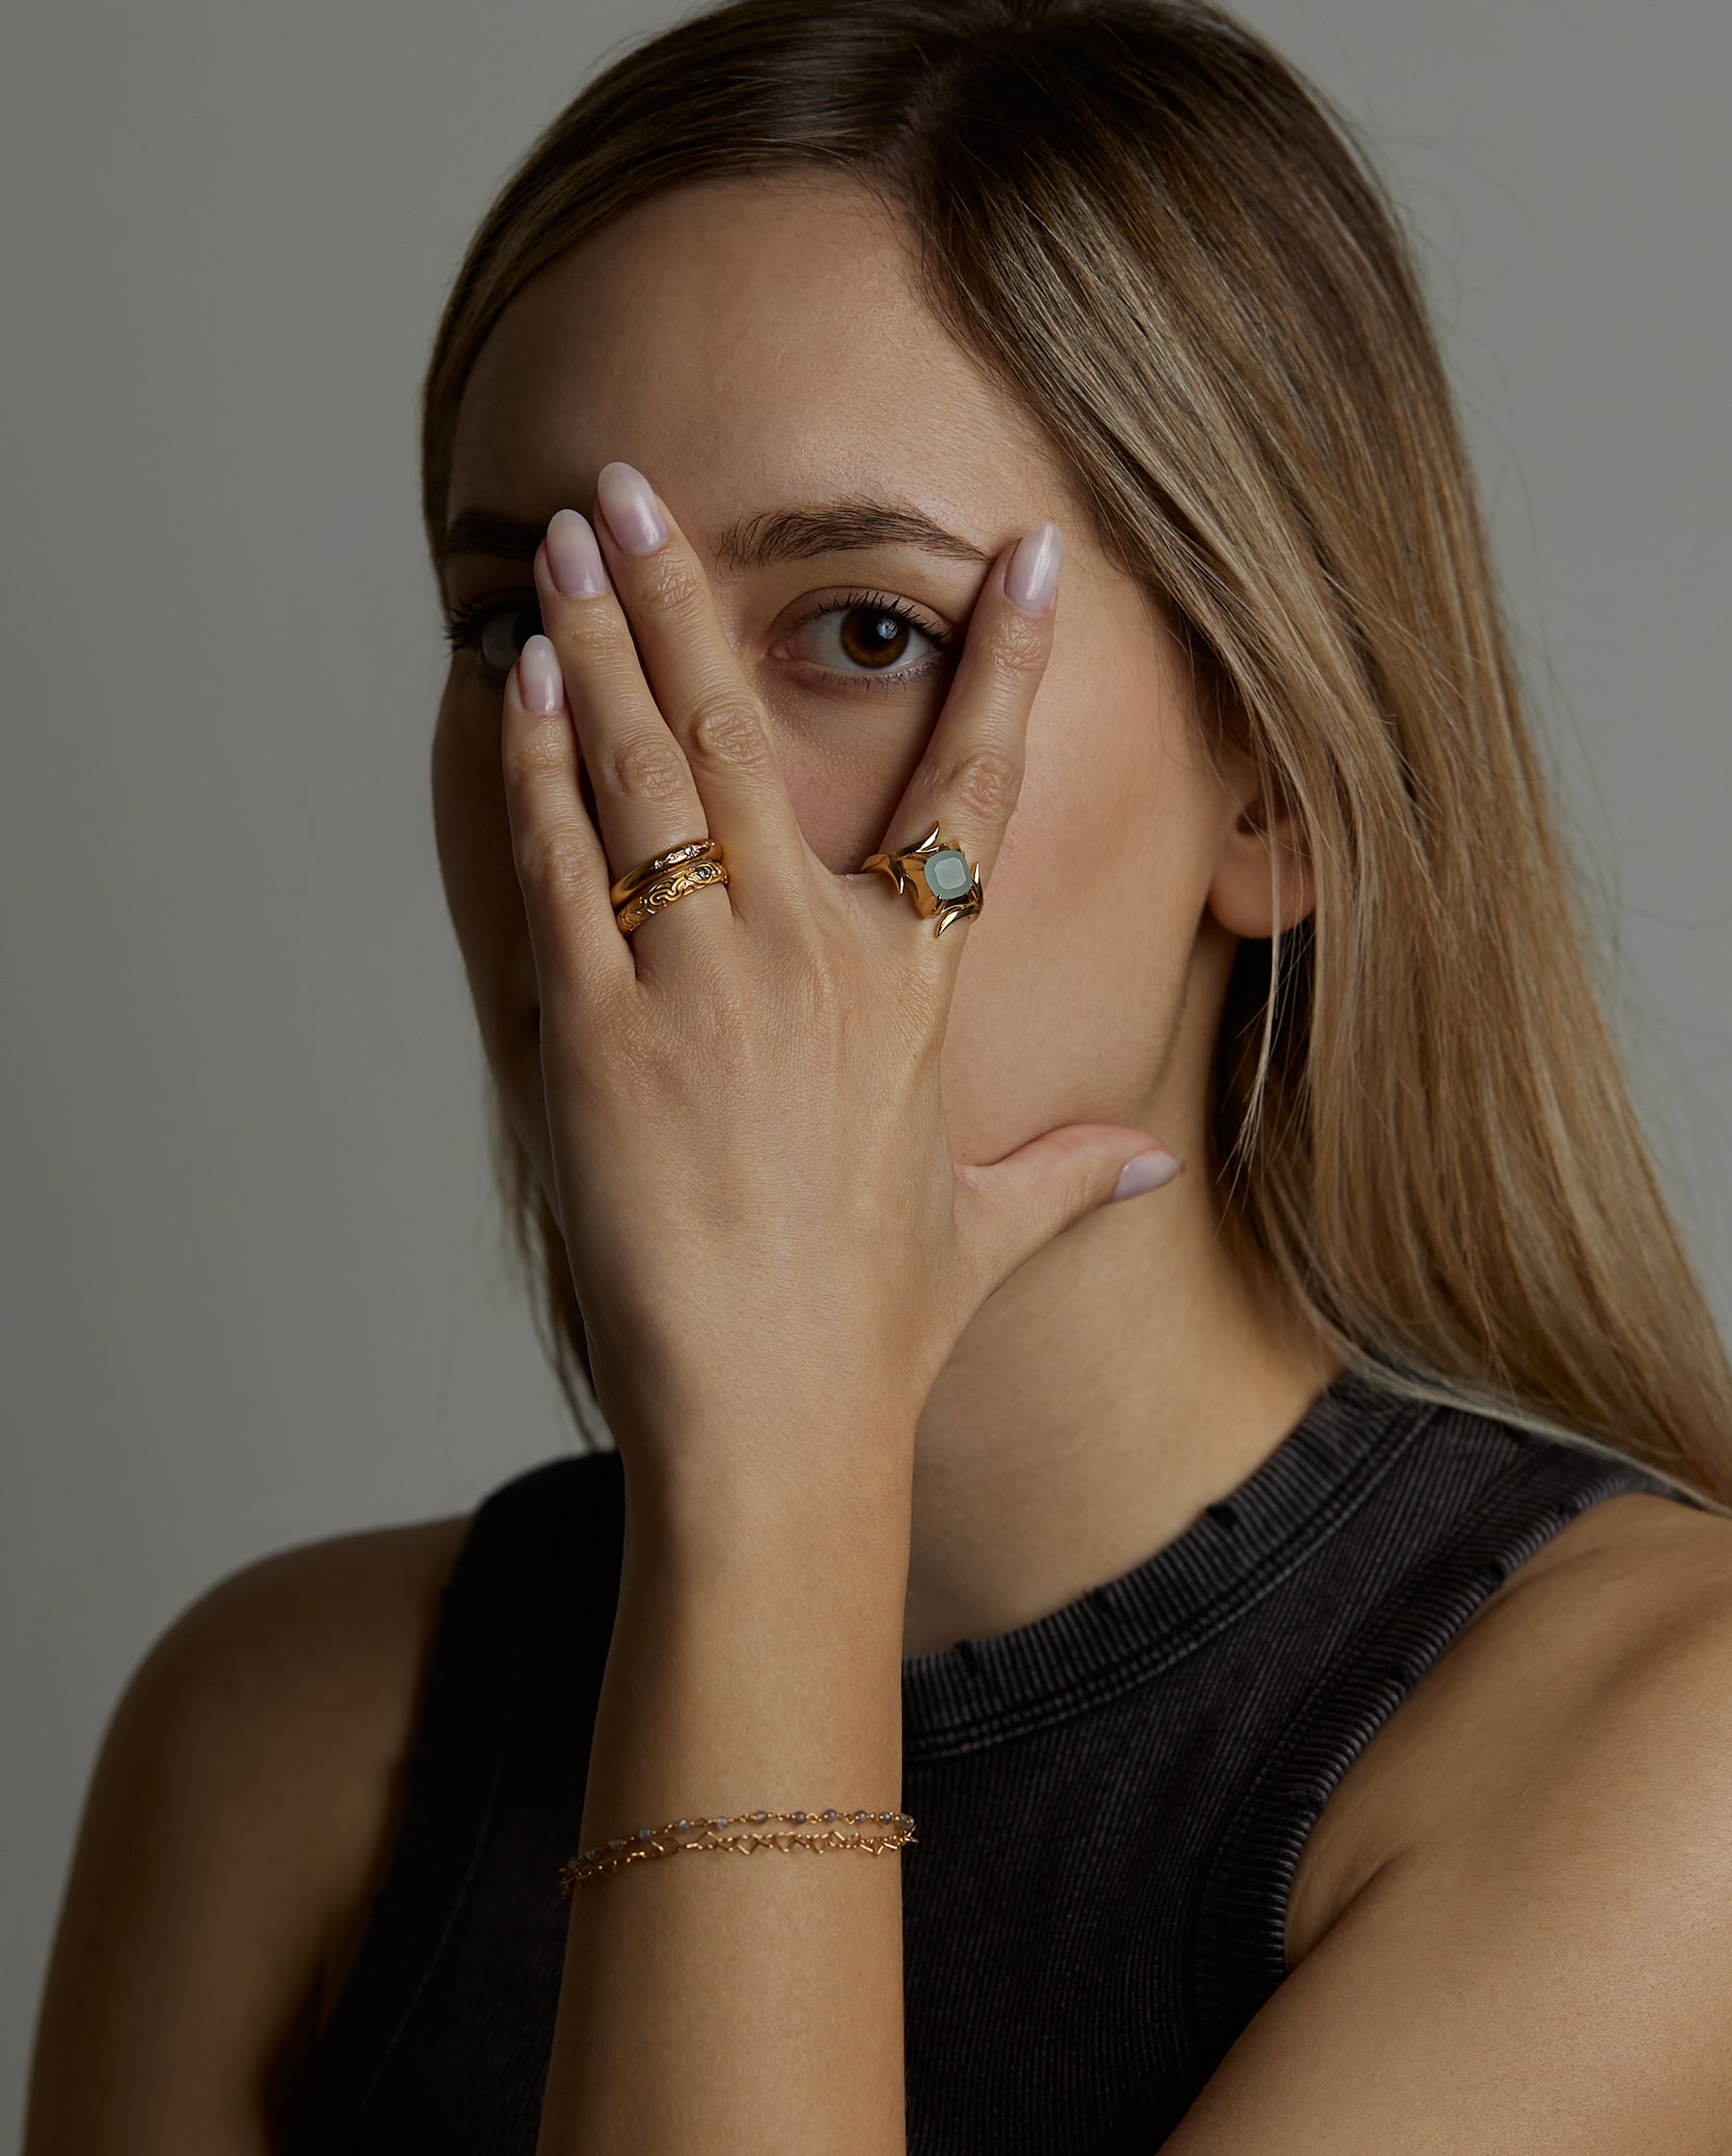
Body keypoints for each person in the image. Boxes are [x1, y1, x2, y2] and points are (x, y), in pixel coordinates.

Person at [25, 0, 1732, 2148]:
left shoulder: (1666, 1762)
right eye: (522, 632)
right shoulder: (276, 1742)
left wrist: (773, 1445)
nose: (645, 805)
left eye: (861, 631)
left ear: (1279, 788)